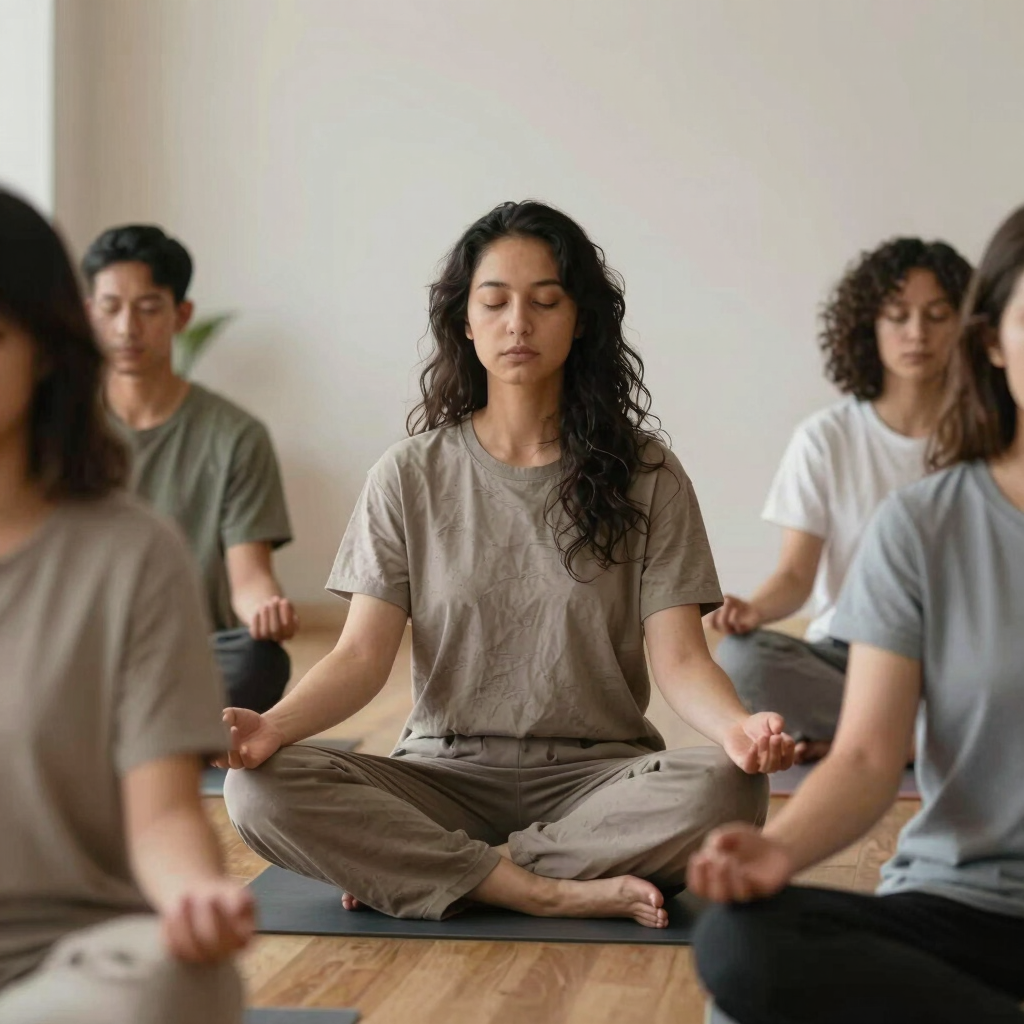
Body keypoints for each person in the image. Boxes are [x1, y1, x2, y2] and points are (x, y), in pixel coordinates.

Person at [220, 200, 794, 927]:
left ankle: (437, 868)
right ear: (465, 321)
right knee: (258, 789)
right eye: (494, 301)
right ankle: (544, 886)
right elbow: (361, 657)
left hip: (597, 777)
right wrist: (272, 727)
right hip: (440, 775)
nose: (518, 322)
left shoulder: (647, 473)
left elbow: (681, 660)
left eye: (545, 301)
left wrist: (738, 731)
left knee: (728, 787)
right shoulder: (409, 475)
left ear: (580, 318)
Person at [689, 206, 1024, 1022]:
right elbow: (873, 756)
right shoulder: (924, 522)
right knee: (742, 948)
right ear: (995, 342)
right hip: (965, 909)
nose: (916, 333)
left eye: (932, 315)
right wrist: (775, 851)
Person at [0, 189, 251, 1023]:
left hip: (66, 961)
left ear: (42, 348)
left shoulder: (130, 551)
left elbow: (163, 818)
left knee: (178, 981)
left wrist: (195, 896)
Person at [708, 238, 972, 761]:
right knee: (746, 661)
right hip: (848, 660)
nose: (917, 333)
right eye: (897, 316)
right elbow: (795, 577)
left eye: (937, 316)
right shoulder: (825, 438)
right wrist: (753, 609)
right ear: (868, 327)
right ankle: (928, 744)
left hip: (959, 663)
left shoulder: (990, 436)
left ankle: (864, 744)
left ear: (966, 326)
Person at [82, 224, 296, 714]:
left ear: (182, 315)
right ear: (89, 314)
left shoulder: (236, 435)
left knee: (257, 662)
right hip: (83, 651)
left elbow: (249, 577)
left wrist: (266, 609)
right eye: (111, 308)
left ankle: (113, 727)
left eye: (148, 307)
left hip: (189, 655)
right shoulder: (56, 427)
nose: (126, 328)